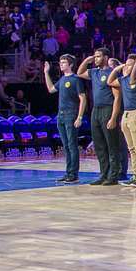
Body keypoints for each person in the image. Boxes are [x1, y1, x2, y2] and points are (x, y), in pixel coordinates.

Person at [77, 47, 122, 186]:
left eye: (98, 56)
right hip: (95, 110)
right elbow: (79, 73)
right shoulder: (94, 72)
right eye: (95, 56)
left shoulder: (111, 73)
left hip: (108, 109)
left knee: (111, 144)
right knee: (99, 144)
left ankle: (113, 175)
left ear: (106, 57)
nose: (95, 58)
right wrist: (86, 60)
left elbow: (117, 97)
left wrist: (114, 117)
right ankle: (103, 173)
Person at [110, 50, 136, 187]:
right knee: (131, 148)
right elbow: (110, 81)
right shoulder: (122, 80)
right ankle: (135, 173)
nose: (127, 67)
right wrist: (118, 67)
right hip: (126, 115)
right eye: (126, 65)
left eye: (130, 65)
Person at [43, 54, 84, 184]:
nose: (61, 64)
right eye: (60, 62)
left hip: (71, 114)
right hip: (60, 115)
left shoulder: (75, 79)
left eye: (64, 62)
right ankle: (68, 172)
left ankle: (74, 174)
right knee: (66, 146)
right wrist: (46, 73)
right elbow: (50, 90)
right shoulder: (61, 80)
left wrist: (80, 116)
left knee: (72, 145)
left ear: (71, 64)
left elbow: (83, 98)